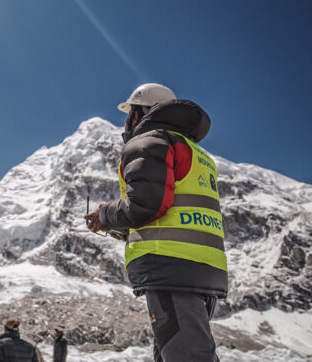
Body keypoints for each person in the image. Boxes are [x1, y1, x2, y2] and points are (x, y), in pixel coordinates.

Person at [84, 83, 227, 362]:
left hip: (171, 264)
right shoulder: (197, 153)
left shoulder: (149, 142)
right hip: (204, 267)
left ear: (139, 115)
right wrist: (124, 229)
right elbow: (174, 208)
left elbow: (146, 205)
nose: (126, 124)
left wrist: (104, 215)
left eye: (129, 115)